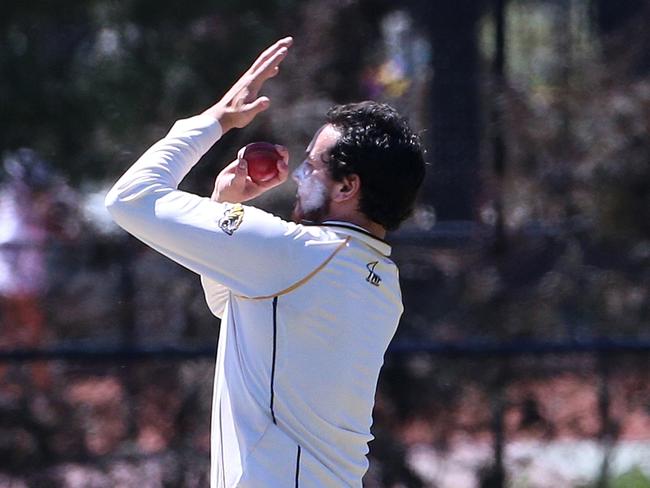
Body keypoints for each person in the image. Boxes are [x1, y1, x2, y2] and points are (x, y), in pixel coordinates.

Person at [105, 37, 425, 487]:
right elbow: (233, 306)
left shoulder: (295, 253)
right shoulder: (380, 280)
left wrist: (214, 120)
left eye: (313, 166)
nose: (299, 176)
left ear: (347, 187)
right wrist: (223, 201)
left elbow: (130, 199)